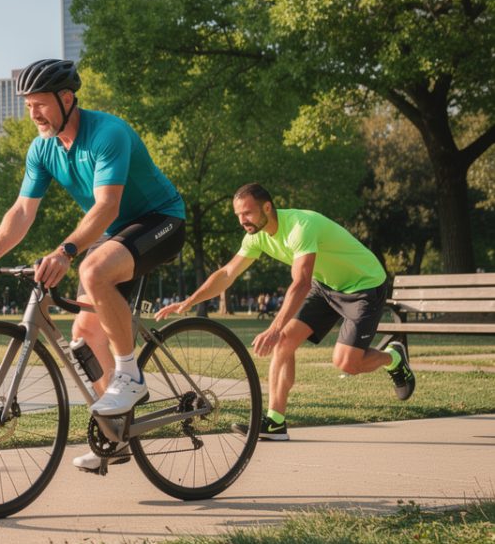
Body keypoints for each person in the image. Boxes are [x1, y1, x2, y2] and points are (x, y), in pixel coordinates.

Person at [0, 58, 186, 473]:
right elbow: (22, 212)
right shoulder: (43, 148)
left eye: (40, 105)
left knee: (91, 270)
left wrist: (65, 251)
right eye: (28, 106)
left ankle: (130, 378)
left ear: (67, 99)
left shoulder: (108, 134)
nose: (33, 115)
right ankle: (116, 433)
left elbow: (107, 205)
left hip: (161, 221)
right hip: (116, 231)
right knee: (82, 333)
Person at [155, 183, 415, 441]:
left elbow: (301, 283)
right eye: (238, 215)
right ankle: (275, 422)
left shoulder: (301, 227)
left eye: (247, 213)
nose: (242, 220)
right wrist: (188, 302)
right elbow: (226, 274)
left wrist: (274, 326)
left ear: (267, 207)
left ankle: (392, 357)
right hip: (327, 285)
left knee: (346, 362)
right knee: (284, 342)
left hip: (365, 285)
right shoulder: (256, 236)